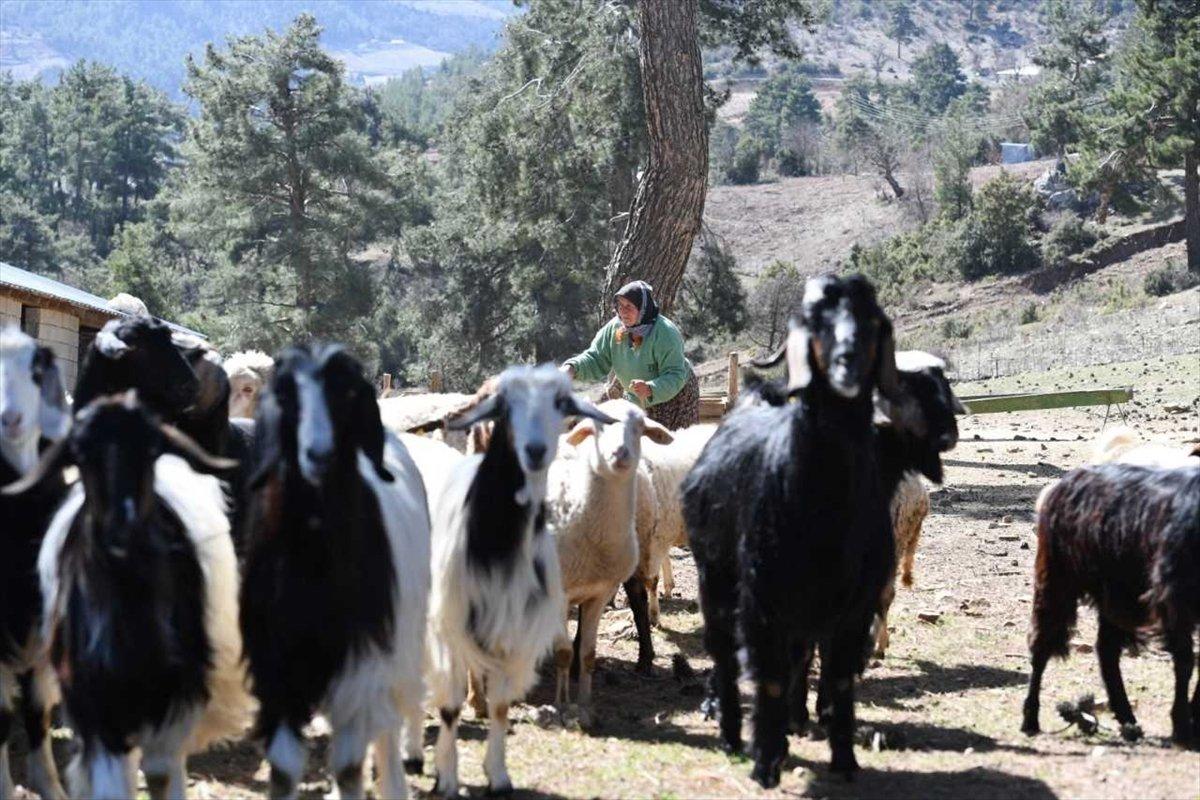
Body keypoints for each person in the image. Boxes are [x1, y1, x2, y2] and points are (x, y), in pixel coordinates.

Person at [560, 280, 700, 430]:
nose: (623, 312)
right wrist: (572, 368)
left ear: (643, 308)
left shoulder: (665, 333)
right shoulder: (615, 328)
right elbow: (596, 357)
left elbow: (675, 374)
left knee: (669, 446)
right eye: (620, 306)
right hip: (637, 397)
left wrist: (651, 388)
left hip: (675, 398)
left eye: (629, 306)